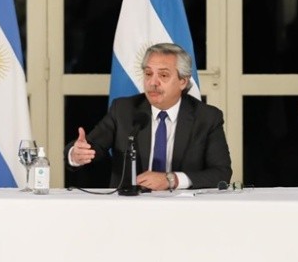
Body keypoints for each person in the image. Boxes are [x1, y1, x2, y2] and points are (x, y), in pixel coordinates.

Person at [65, 43, 232, 190]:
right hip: (129, 209)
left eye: (163, 75)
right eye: (148, 74)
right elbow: (92, 146)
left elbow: (221, 173)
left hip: (183, 211)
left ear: (183, 81)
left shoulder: (207, 117)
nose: (153, 82)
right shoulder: (124, 110)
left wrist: (171, 180)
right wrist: (76, 154)